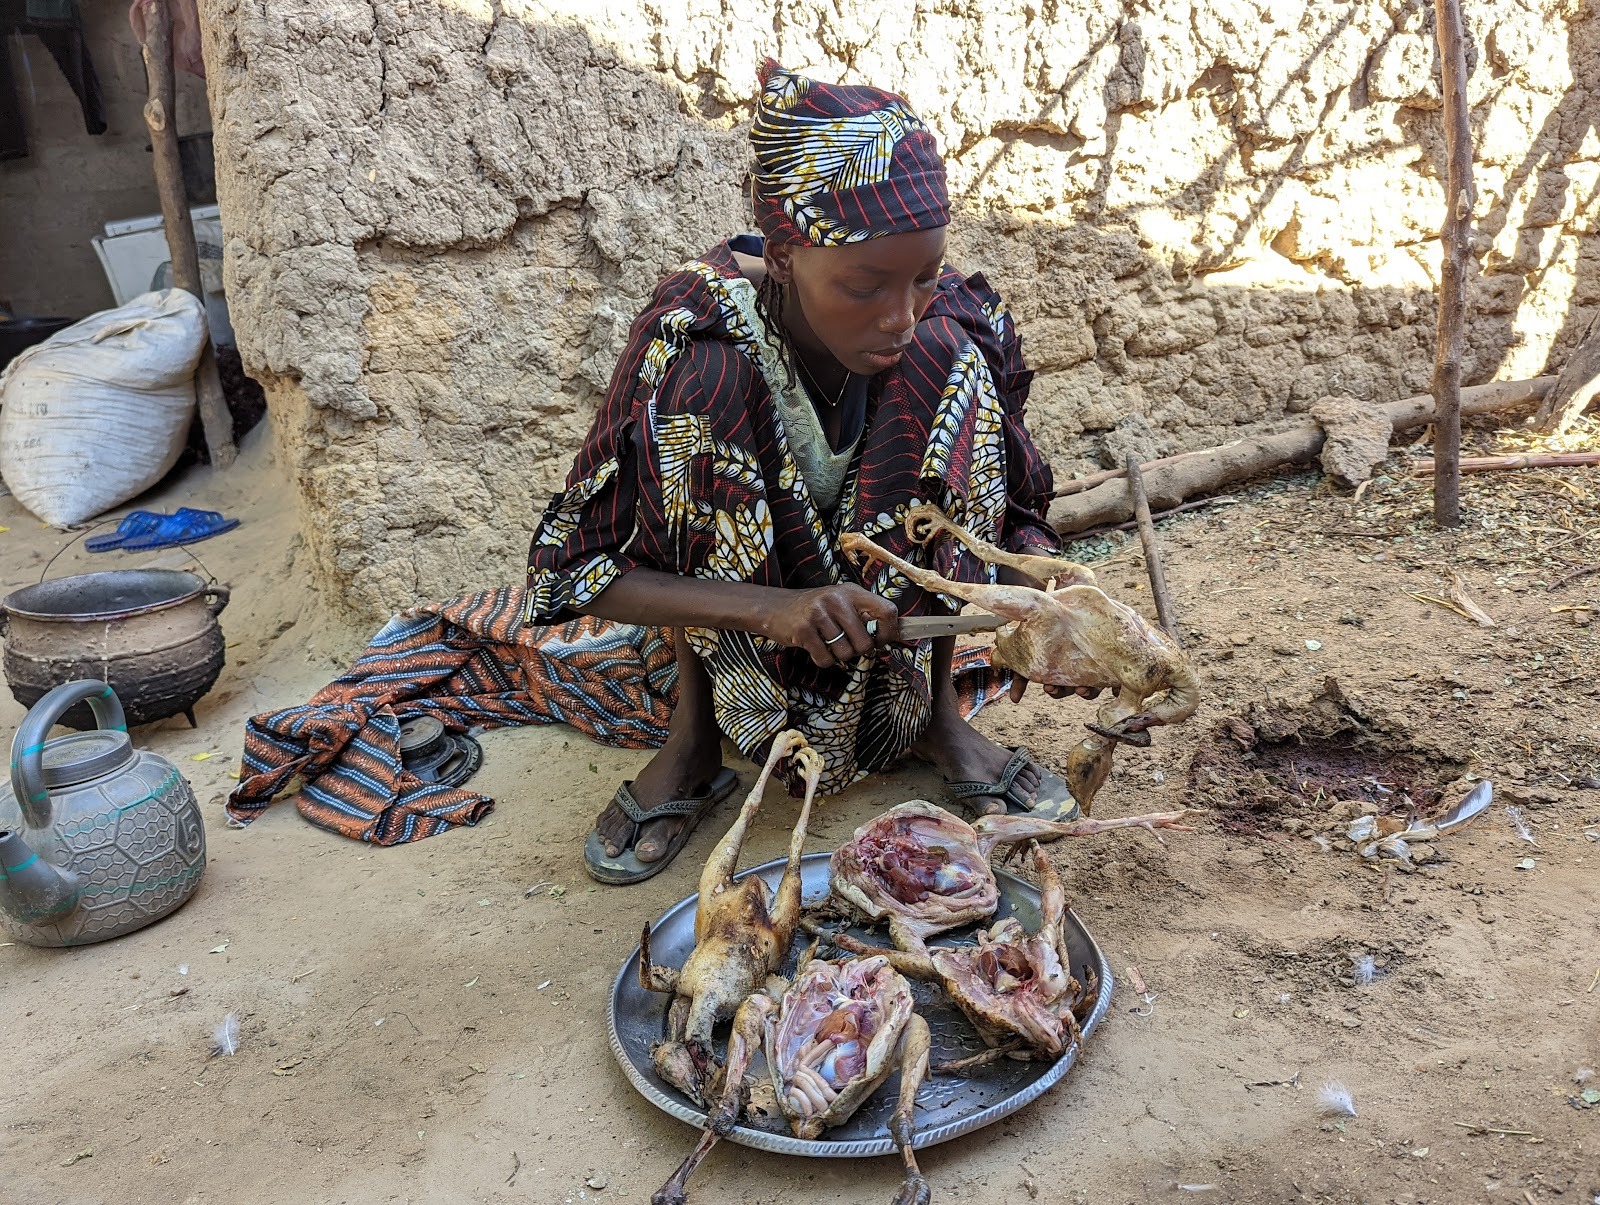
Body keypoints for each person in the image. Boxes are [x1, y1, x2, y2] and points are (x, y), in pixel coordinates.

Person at [527, 60, 1085, 885]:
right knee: (702, 396)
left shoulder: (939, 326)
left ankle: (937, 715)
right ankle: (693, 736)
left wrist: (1053, 618)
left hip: (888, 638)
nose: (900, 314)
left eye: (924, 275)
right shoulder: (694, 342)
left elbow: (1006, 514)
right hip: (746, 643)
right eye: (864, 285)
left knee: (951, 355)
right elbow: (569, 576)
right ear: (785, 256)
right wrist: (774, 608)